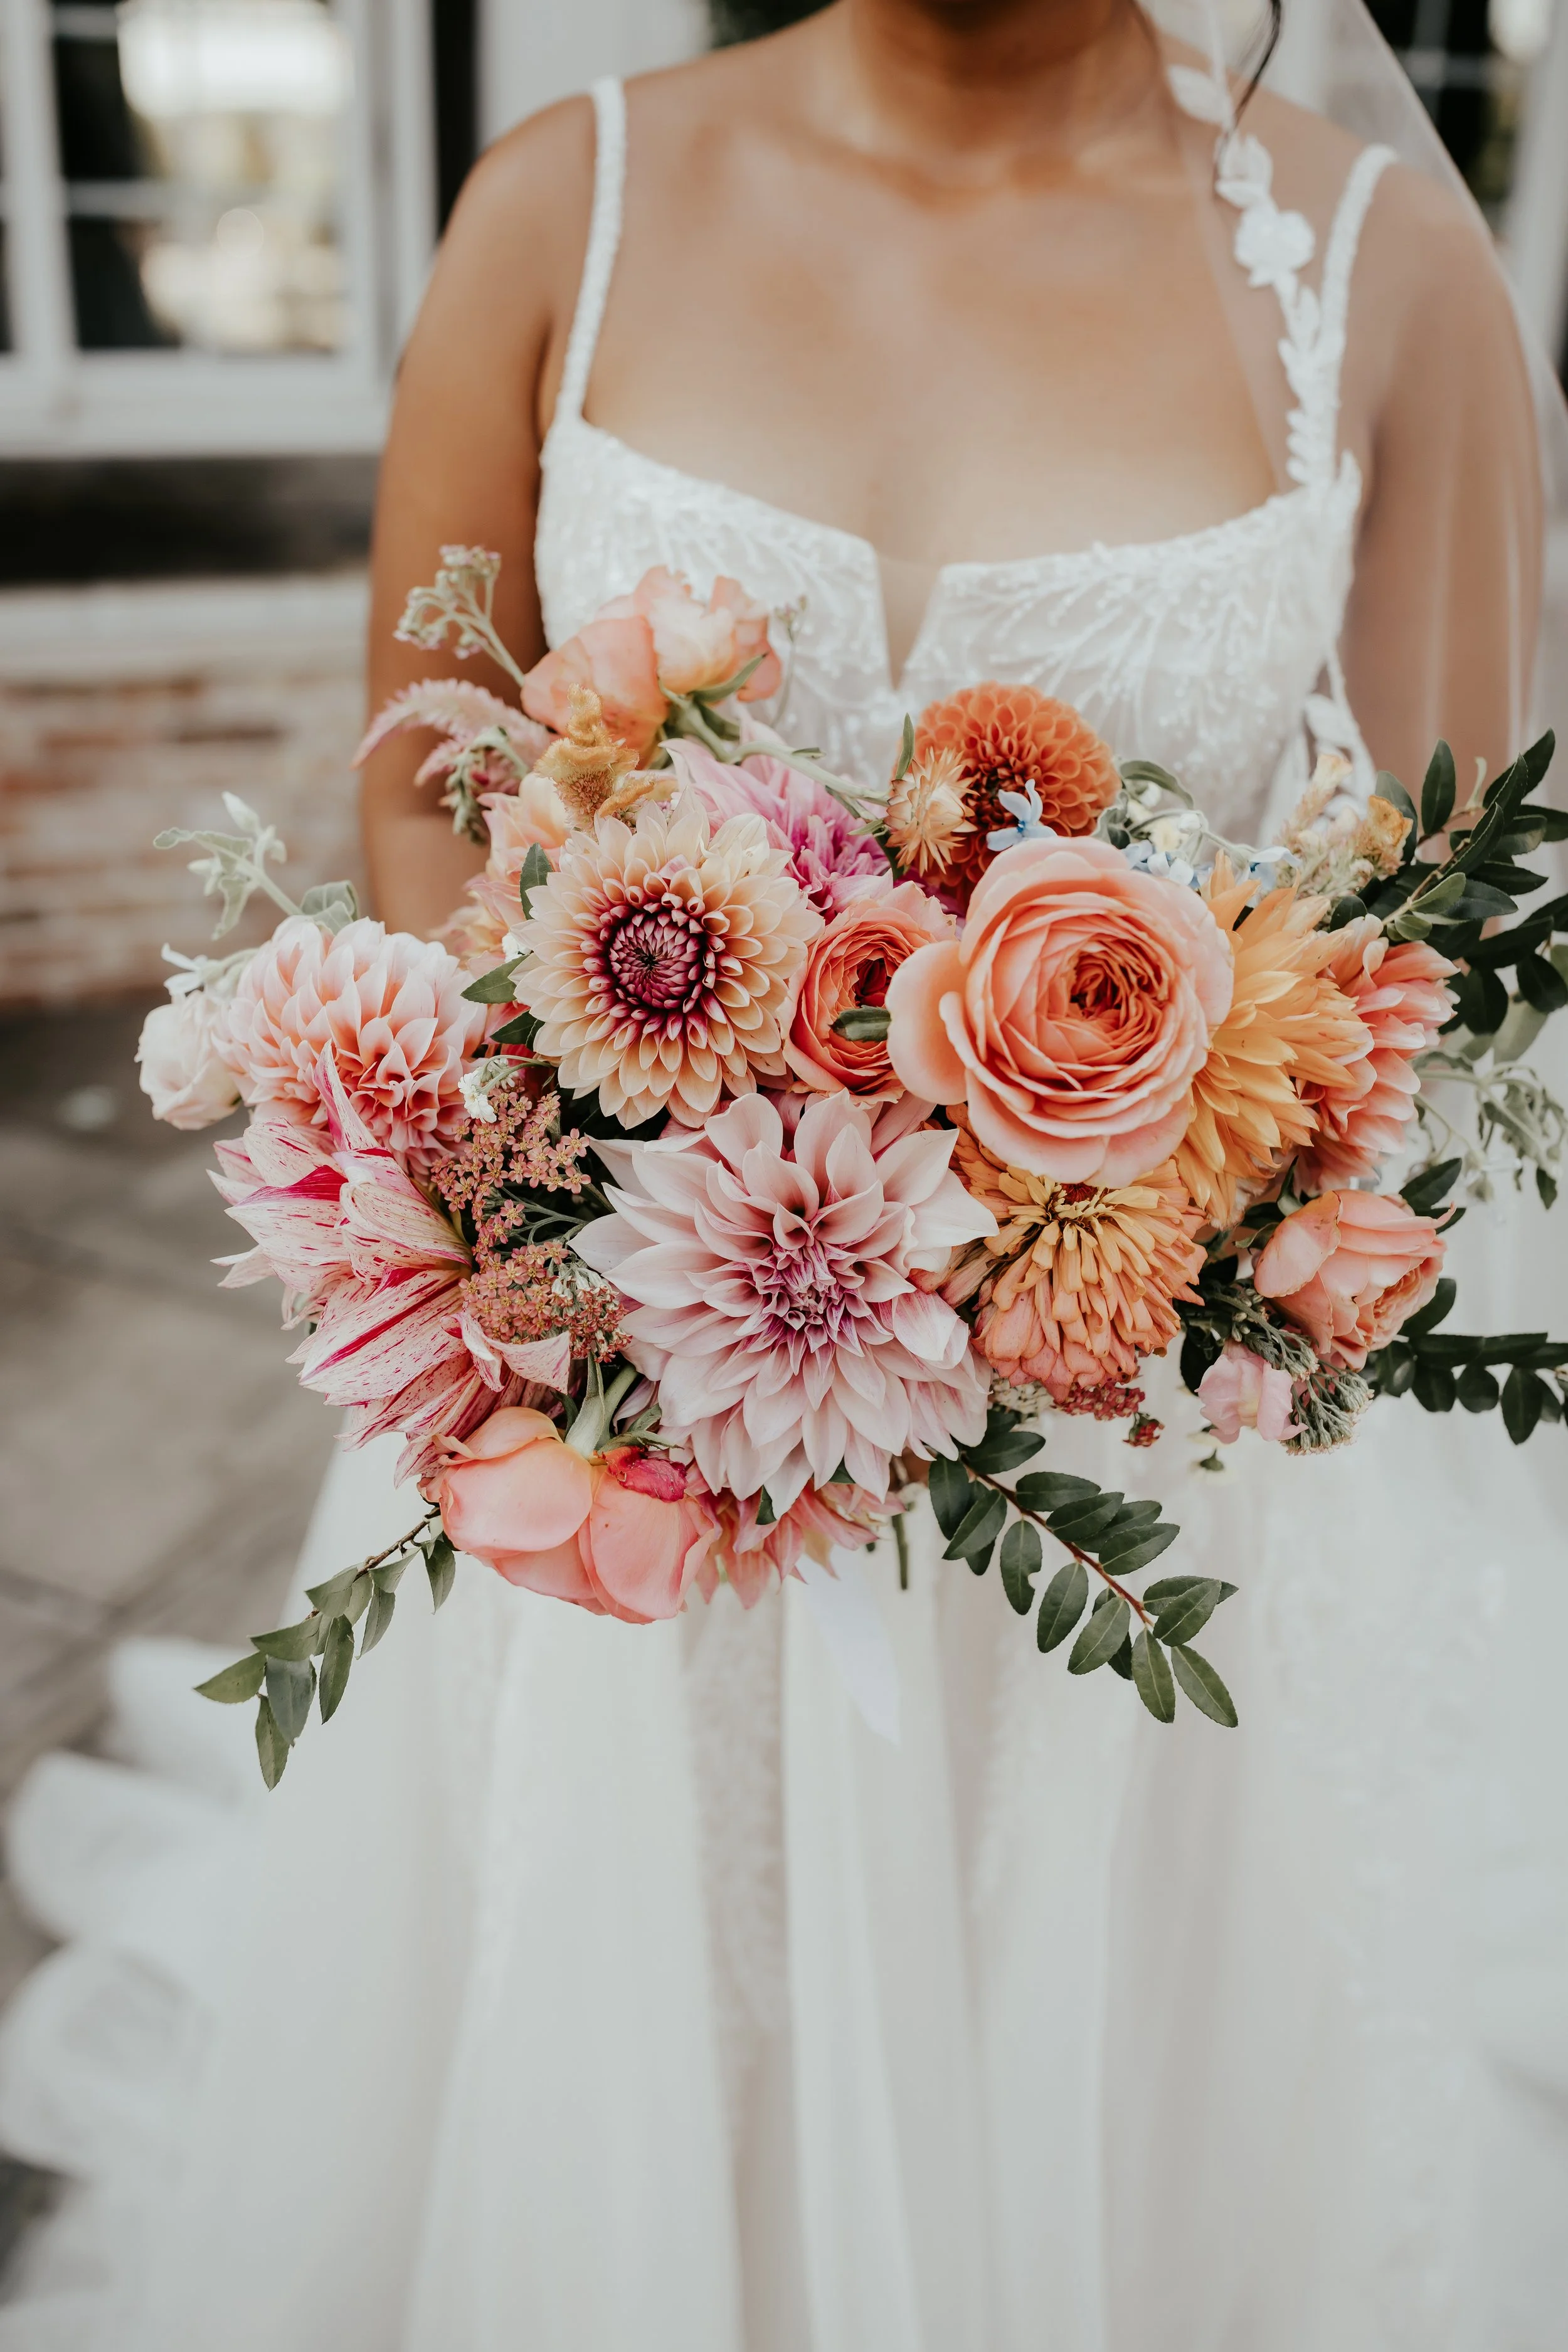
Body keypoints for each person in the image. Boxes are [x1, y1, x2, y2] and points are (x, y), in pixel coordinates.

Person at [3, 3, 1564, 2346]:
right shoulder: (565, 196)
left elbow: (1427, 948)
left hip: (1121, 1517)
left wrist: (1118, 1218)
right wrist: (562, 1181)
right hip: (632, 1457)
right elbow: (428, 774)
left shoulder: (1380, 271)